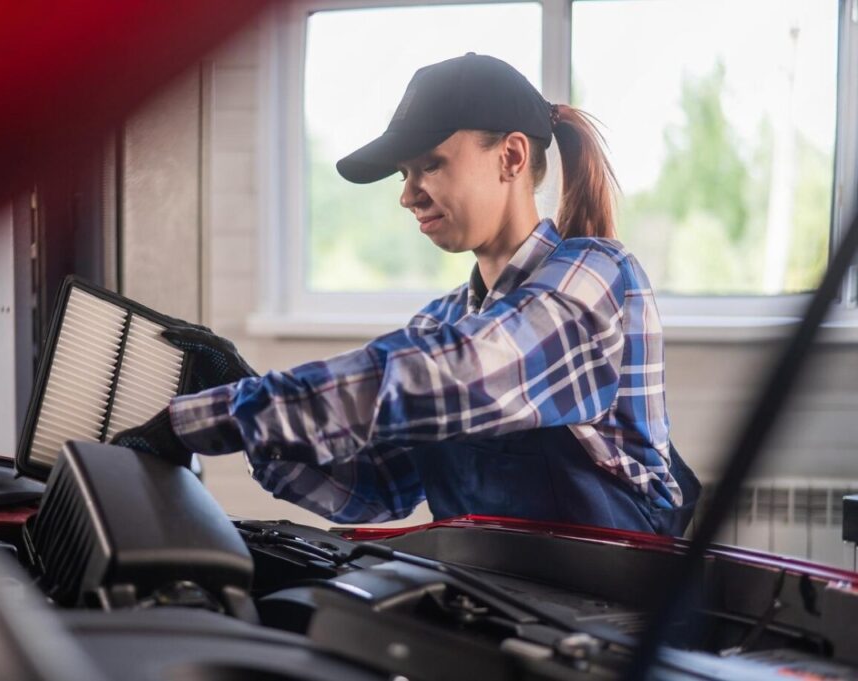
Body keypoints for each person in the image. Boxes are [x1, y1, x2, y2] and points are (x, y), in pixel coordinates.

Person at [114, 53, 700, 535]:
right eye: (404, 175)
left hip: (617, 623)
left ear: (512, 157)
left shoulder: (596, 275)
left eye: (430, 164)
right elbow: (372, 488)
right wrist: (238, 386)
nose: (408, 194)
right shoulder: (442, 321)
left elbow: (462, 376)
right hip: (501, 610)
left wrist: (227, 414)